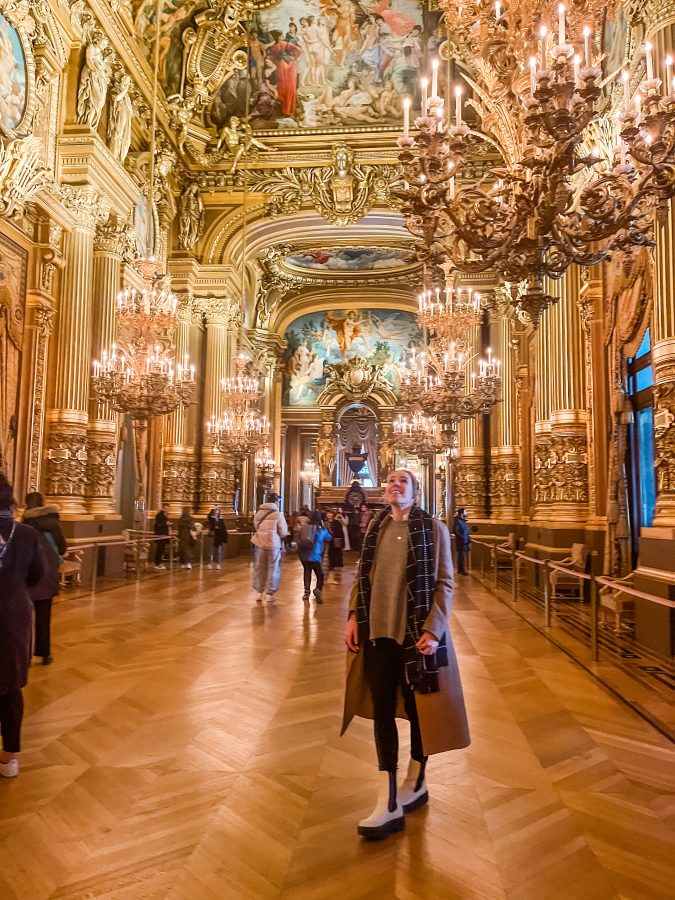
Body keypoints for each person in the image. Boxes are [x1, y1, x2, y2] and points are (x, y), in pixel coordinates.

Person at [342, 469, 470, 840]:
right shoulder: (375, 528)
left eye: (403, 481)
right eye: (390, 481)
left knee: (419, 714)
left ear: (415, 491)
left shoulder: (433, 529)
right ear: (384, 491)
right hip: (377, 635)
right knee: (382, 710)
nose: (395, 485)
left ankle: (416, 779)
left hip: (415, 638)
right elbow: (362, 577)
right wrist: (353, 614)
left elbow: (445, 582)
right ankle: (388, 798)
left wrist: (434, 628)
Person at [0, 475, 44, 778]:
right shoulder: (26, 534)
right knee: (10, 688)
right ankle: (9, 758)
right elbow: (37, 575)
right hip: (13, 617)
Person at [22, 492, 67, 665]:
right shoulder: (53, 523)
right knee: (43, 616)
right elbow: (62, 549)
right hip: (47, 574)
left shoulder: (24, 524)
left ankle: (25, 653)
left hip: (26, 575)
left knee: (24, 617)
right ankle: (44, 653)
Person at [251, 492, 288, 602]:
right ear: (276, 501)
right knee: (273, 568)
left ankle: (259, 592)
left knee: (260, 567)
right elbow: (283, 532)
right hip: (273, 545)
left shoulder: (258, 513)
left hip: (260, 543)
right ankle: (269, 594)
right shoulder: (278, 514)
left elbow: (255, 525)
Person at [297, 510, 331, 603]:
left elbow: (299, 538)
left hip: (305, 555)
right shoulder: (322, 529)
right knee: (320, 575)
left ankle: (306, 592)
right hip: (315, 556)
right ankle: (318, 589)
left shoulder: (306, 527)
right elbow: (329, 538)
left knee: (307, 572)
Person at [324, 510, 345, 584]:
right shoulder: (324, 523)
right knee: (326, 562)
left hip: (335, 545)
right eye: (328, 513)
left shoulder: (337, 523)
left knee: (336, 562)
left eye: (330, 513)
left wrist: (341, 545)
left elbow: (340, 534)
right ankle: (324, 579)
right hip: (327, 544)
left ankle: (337, 579)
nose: (329, 515)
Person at [452, 507, 471, 576]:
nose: (467, 513)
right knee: (461, 557)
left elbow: (466, 531)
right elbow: (455, 531)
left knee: (463, 557)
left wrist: (468, 540)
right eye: (465, 511)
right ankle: (460, 571)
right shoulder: (457, 521)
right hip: (461, 542)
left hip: (465, 542)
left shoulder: (463, 521)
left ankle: (462, 570)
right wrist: (462, 537)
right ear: (462, 513)